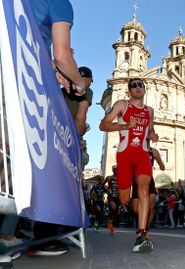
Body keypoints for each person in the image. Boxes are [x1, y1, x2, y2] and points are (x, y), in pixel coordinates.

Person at [27, 0, 88, 256]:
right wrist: (78, 83)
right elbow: (61, 55)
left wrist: (55, 69)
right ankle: (42, 237)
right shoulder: (59, 3)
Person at [99, 78, 158, 252]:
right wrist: (123, 125)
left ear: (144, 89)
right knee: (125, 199)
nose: (137, 87)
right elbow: (103, 125)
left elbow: (150, 130)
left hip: (142, 155)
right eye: (134, 85)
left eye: (140, 85)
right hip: (125, 156)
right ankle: (135, 222)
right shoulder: (121, 104)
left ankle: (142, 233)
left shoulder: (150, 111)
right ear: (129, 90)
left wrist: (152, 136)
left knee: (144, 189)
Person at [131, 146, 165, 230]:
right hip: (137, 180)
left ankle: (145, 228)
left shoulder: (154, 151)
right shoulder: (134, 149)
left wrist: (161, 165)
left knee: (151, 207)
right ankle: (143, 223)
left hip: (149, 179)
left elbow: (162, 166)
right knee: (135, 209)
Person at [62, 66, 94, 136]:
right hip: (66, 131)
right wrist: (79, 136)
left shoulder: (63, 89)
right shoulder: (87, 91)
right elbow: (80, 117)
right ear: (90, 79)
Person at [104, 165, 120, 235]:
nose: (117, 171)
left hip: (118, 197)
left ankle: (110, 223)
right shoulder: (109, 177)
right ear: (113, 170)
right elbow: (102, 184)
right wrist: (107, 189)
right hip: (111, 197)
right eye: (115, 169)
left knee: (115, 212)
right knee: (113, 209)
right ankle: (111, 227)